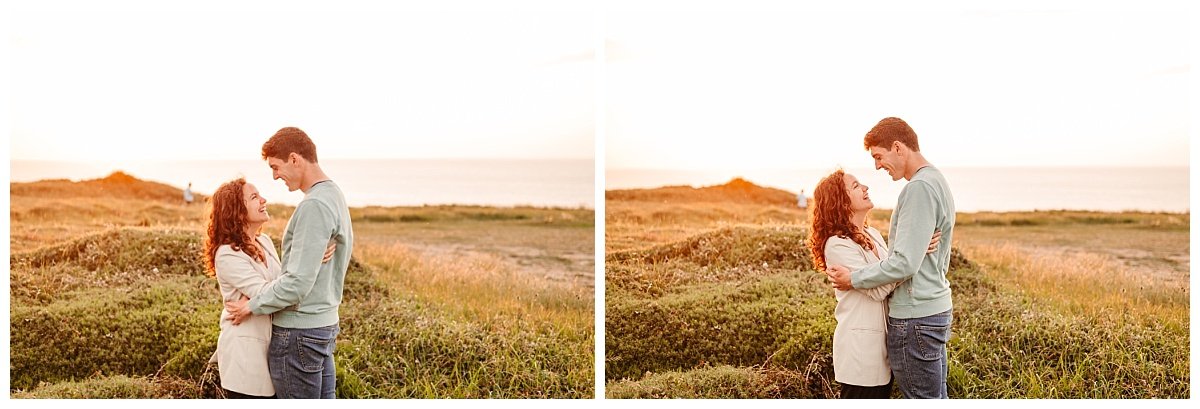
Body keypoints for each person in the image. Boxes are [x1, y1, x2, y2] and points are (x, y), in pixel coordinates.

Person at [825, 117, 956, 398]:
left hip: (916, 314)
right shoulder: (935, 180)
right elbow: (902, 261)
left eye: (878, 156)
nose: (877, 166)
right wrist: (915, 251)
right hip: (925, 310)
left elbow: (902, 264)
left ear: (898, 147)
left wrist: (855, 278)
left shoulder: (919, 187)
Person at [224, 127, 354, 399]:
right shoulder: (333, 195)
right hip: (322, 325)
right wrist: (310, 258)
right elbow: (298, 273)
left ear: (295, 159)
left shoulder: (313, 205)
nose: (275, 176)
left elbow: (296, 283)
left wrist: (251, 305)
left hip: (300, 332)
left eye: (276, 166)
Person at [810, 169, 940, 399]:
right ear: (839, 199)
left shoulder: (874, 234)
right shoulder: (837, 244)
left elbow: (892, 271)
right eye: (856, 186)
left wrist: (911, 253)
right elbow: (879, 287)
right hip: (861, 352)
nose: (865, 187)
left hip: (885, 348)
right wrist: (913, 256)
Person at [203, 178, 335, 398]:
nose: (263, 200)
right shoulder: (227, 254)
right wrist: (265, 297)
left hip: (271, 351)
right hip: (245, 358)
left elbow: (283, 282)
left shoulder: (263, 241)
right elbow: (268, 292)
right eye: (254, 197)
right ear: (235, 210)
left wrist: (309, 258)